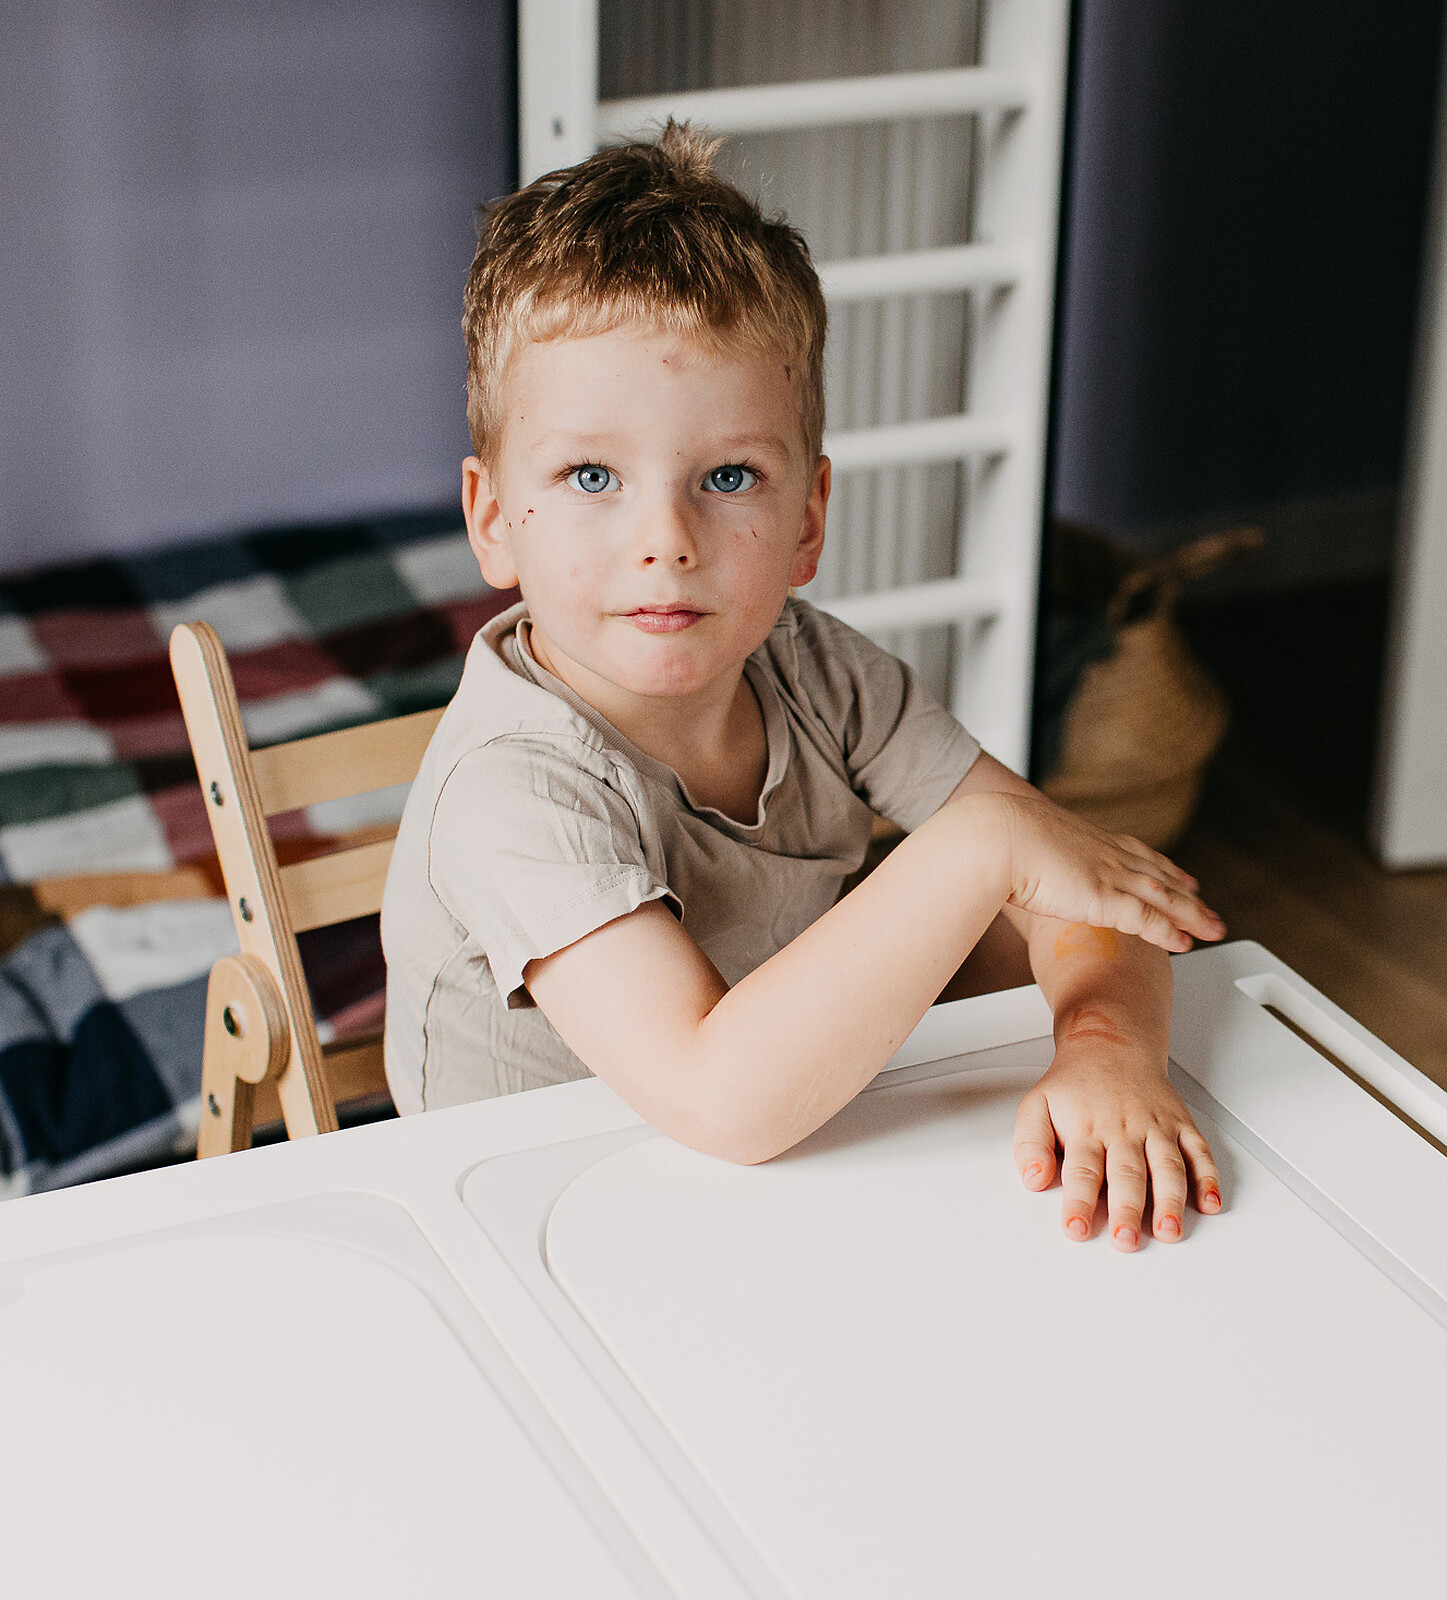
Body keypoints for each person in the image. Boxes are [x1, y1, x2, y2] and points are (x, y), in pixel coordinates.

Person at [381, 123, 1227, 1250]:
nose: (666, 539)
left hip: (785, 1156)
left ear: (808, 520)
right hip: (537, 1220)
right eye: (591, 475)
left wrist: (1107, 1053)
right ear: (493, 521)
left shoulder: (815, 669)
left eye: (729, 476)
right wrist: (984, 843)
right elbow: (719, 1098)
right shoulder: (513, 794)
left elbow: (1079, 889)